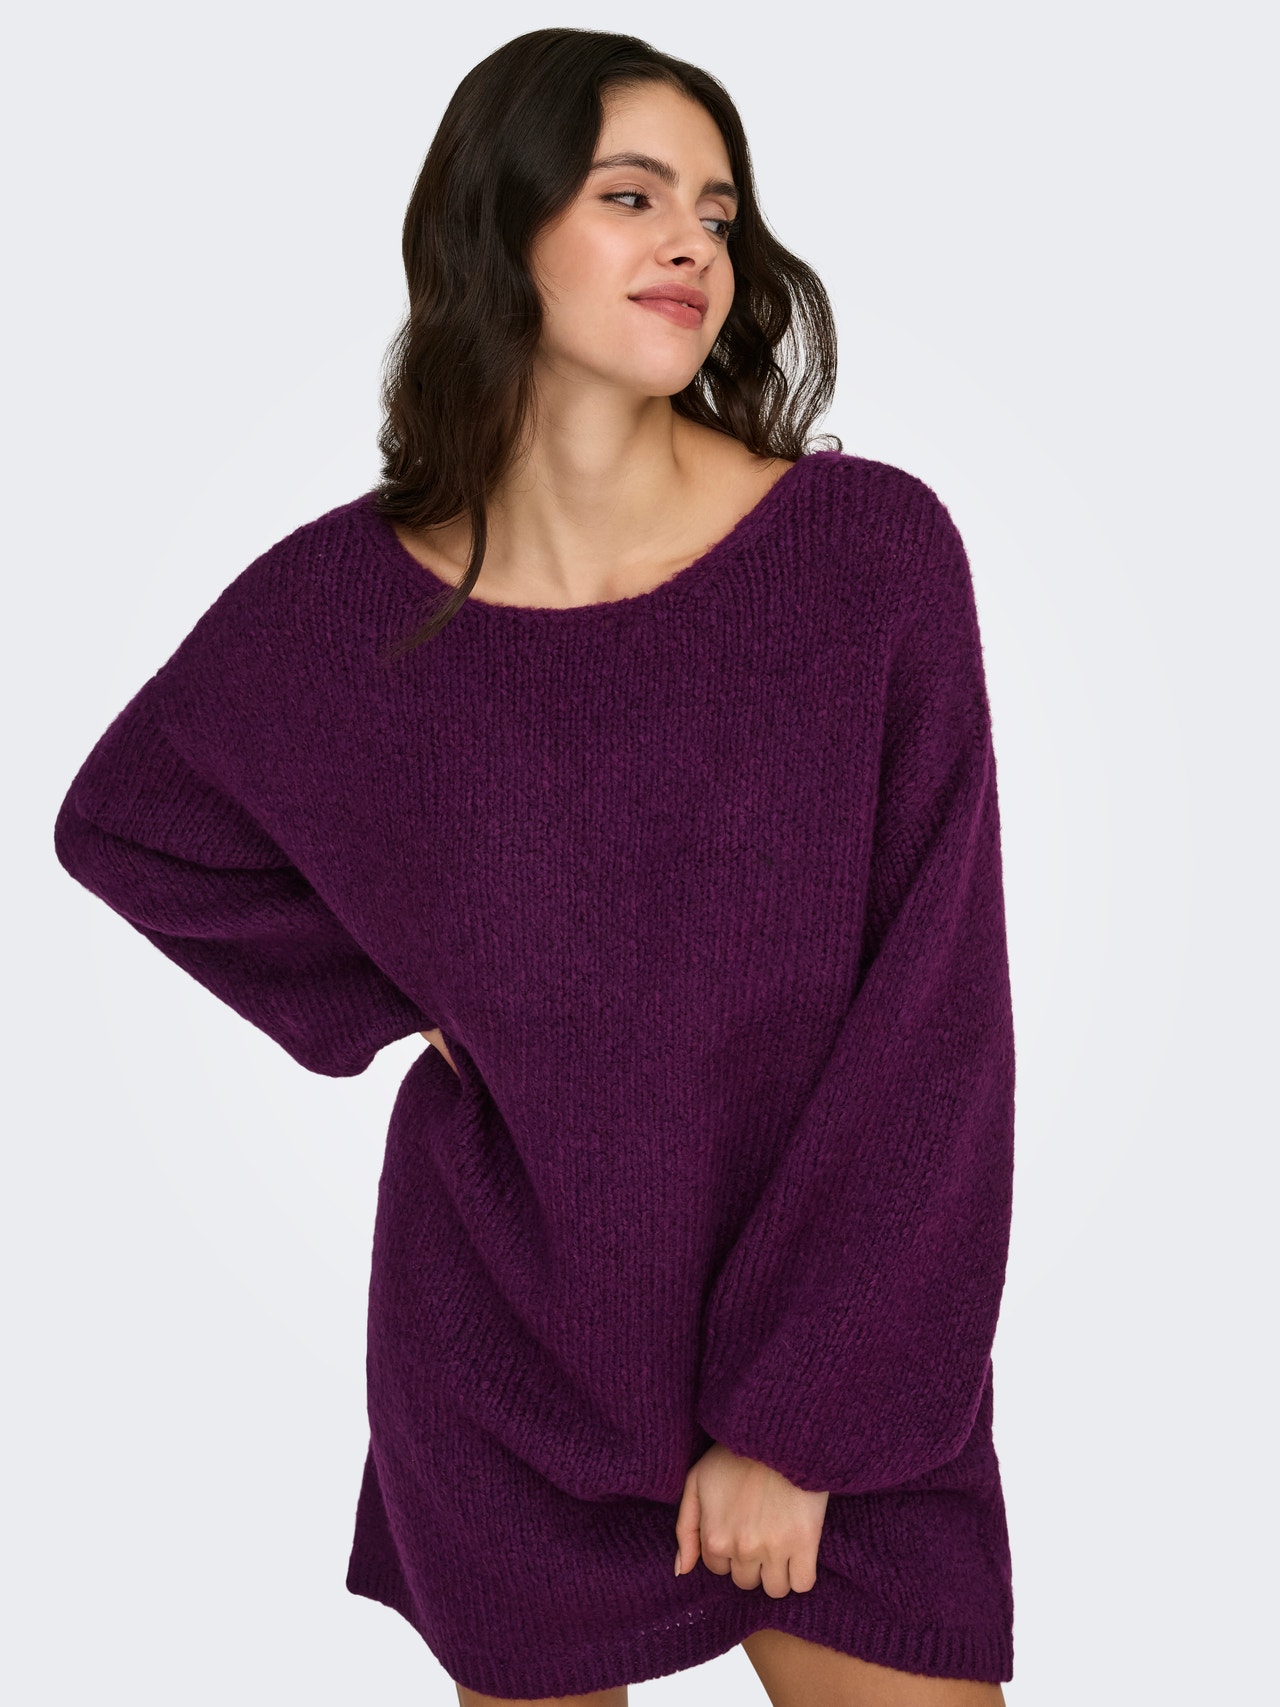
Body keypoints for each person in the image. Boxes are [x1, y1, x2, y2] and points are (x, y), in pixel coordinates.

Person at [53, 27, 1017, 1707]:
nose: (691, 243)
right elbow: (131, 823)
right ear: (498, 228)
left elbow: (936, 1021)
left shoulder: (868, 557)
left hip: (842, 1369)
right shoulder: (344, 607)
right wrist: (407, 997)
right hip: (505, 1355)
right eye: (630, 195)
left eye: (717, 211)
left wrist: (802, 1420)